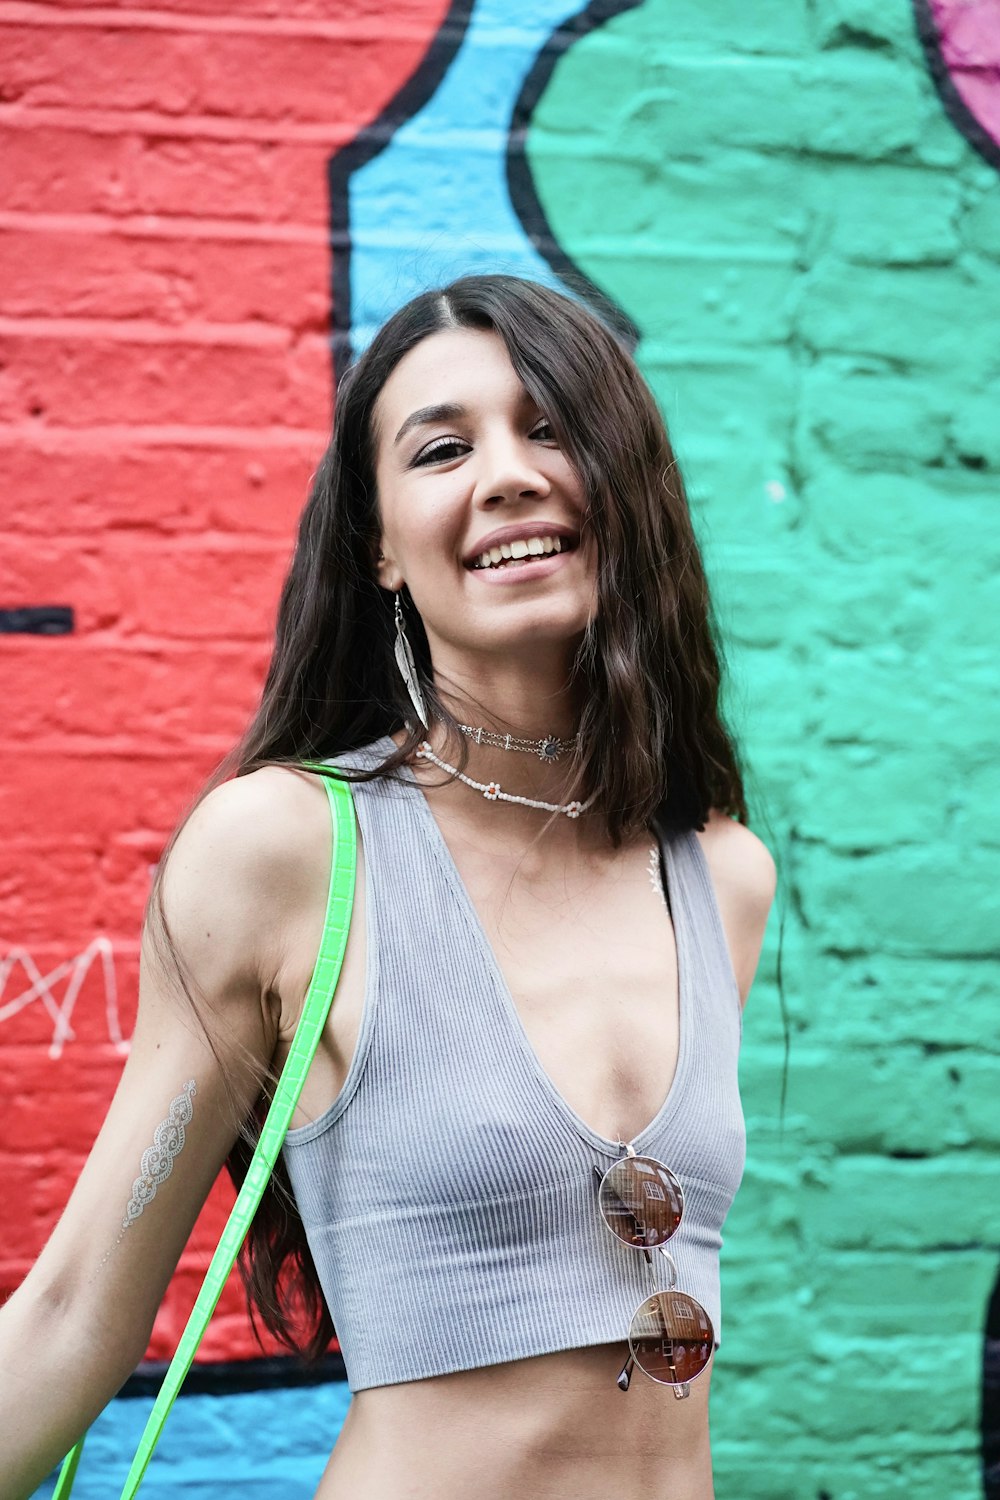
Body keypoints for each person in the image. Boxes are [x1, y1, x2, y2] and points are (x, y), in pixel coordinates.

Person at [0, 273, 777, 1500]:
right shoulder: (286, 850)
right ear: (377, 546)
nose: (509, 473)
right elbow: (73, 1309)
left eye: (552, 427)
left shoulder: (721, 876)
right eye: (443, 449)